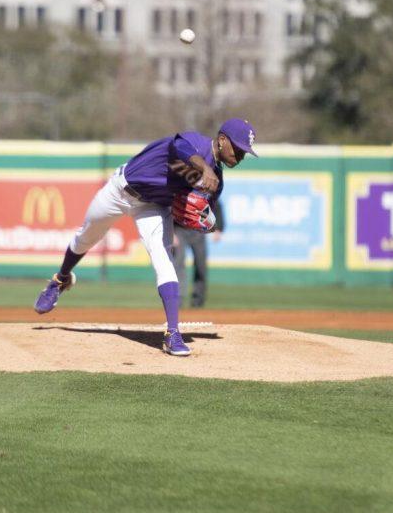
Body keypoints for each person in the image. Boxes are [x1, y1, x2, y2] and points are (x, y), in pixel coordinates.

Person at [34, 118, 258, 356]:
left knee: (164, 260)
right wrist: (203, 168)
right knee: (86, 238)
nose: (241, 156)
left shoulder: (217, 182)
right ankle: (60, 280)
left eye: (245, 152)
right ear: (222, 140)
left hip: (152, 206)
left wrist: (207, 224)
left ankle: (173, 333)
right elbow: (178, 148)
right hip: (120, 189)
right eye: (239, 148)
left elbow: (202, 213)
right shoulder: (195, 143)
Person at [172, 196, 224, 308]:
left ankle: (198, 300)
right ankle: (177, 299)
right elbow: (168, 206)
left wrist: (218, 228)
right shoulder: (178, 184)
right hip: (179, 229)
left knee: (201, 265)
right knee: (178, 264)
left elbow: (216, 204)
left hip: (199, 230)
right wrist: (170, 231)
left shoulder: (202, 187)